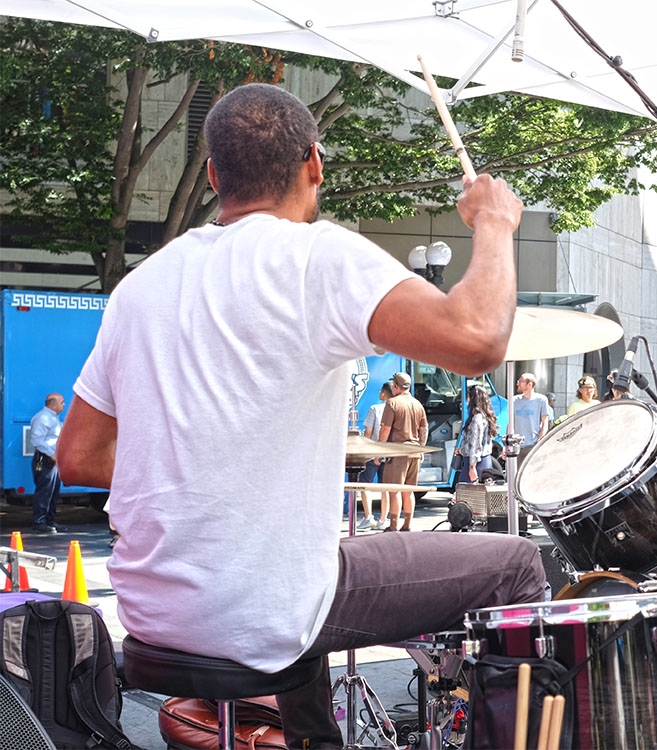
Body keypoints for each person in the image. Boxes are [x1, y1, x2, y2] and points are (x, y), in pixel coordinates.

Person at [55, 83, 544, 750]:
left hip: (152, 612)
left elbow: (78, 458)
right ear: (315, 163)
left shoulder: (142, 285)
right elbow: (478, 338)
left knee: (296, 570)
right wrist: (494, 222)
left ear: (212, 175)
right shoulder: (316, 256)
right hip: (259, 613)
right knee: (515, 564)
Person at [379, 372, 428, 532]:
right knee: (409, 491)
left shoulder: (392, 403)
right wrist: (421, 447)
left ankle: (393, 526)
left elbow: (385, 429)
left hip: (397, 453)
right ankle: (407, 525)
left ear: (396, 387)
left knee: (395, 491)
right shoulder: (417, 404)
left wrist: (380, 450)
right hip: (414, 452)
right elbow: (424, 429)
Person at [357, 381, 393, 531]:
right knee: (385, 487)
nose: (379, 393)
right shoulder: (395, 409)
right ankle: (383, 519)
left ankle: (368, 517)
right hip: (390, 453)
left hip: (373, 453)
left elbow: (368, 433)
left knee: (366, 484)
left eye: (380, 391)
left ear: (384, 393)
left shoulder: (374, 409)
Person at [29, 393, 66, 534]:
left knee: (53, 492)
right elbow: (37, 440)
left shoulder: (53, 418)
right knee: (44, 491)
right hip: (45, 460)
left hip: (53, 460)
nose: (64, 404)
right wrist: (52, 454)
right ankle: (40, 521)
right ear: (53, 404)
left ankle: (50, 521)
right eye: (62, 402)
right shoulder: (42, 418)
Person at [455, 384, 498, 483]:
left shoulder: (476, 418)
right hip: (484, 460)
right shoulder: (485, 416)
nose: (467, 399)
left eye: (468, 396)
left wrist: (471, 467)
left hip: (475, 463)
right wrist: (462, 449)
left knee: (467, 495)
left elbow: (476, 444)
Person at [511, 372, 549, 457]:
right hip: (516, 446)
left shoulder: (541, 400)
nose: (518, 383)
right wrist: (506, 446)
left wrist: (539, 442)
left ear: (529, 384)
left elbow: (544, 423)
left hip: (532, 445)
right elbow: (510, 423)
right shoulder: (514, 400)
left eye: (521, 381)